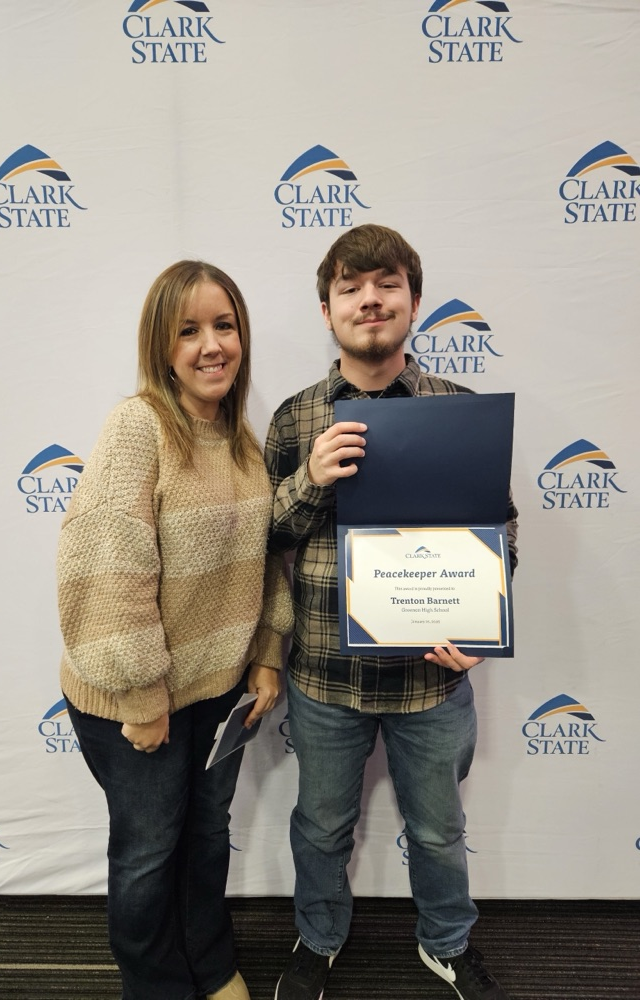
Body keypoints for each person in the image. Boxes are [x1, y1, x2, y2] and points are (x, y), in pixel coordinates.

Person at [265, 224, 518, 1000]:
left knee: (438, 833)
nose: (369, 300)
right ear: (327, 309)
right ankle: (318, 939)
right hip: (324, 680)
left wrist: (480, 622)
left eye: (387, 285)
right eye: (350, 288)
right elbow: (266, 538)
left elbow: (499, 527)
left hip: (431, 683)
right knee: (319, 829)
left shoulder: (458, 410)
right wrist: (309, 479)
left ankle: (447, 943)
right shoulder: (296, 417)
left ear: (414, 301)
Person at [57, 260, 293, 1000]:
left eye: (224, 325)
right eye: (189, 331)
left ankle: (210, 963)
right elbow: (110, 569)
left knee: (206, 836)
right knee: (148, 853)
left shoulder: (240, 437)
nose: (211, 345)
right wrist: (141, 696)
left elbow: (264, 559)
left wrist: (266, 653)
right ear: (162, 346)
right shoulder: (140, 428)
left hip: (216, 692)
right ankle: (155, 985)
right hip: (137, 701)